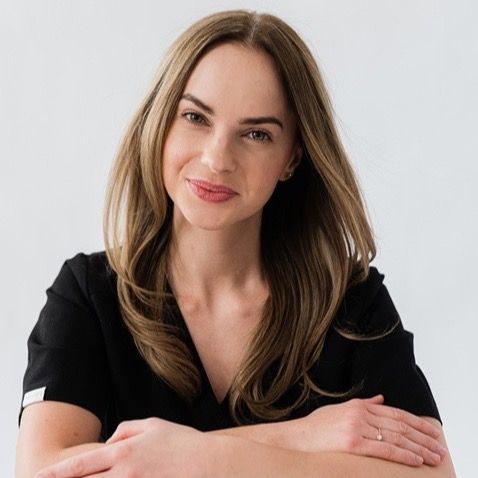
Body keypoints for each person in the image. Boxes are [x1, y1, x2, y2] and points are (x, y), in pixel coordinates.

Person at [15, 9, 456, 478]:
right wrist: (299, 437)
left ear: (292, 158)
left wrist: (193, 456)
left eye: (257, 134)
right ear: (161, 123)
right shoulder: (89, 295)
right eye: (195, 117)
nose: (217, 158)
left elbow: (434, 474)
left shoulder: (350, 306)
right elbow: (43, 472)